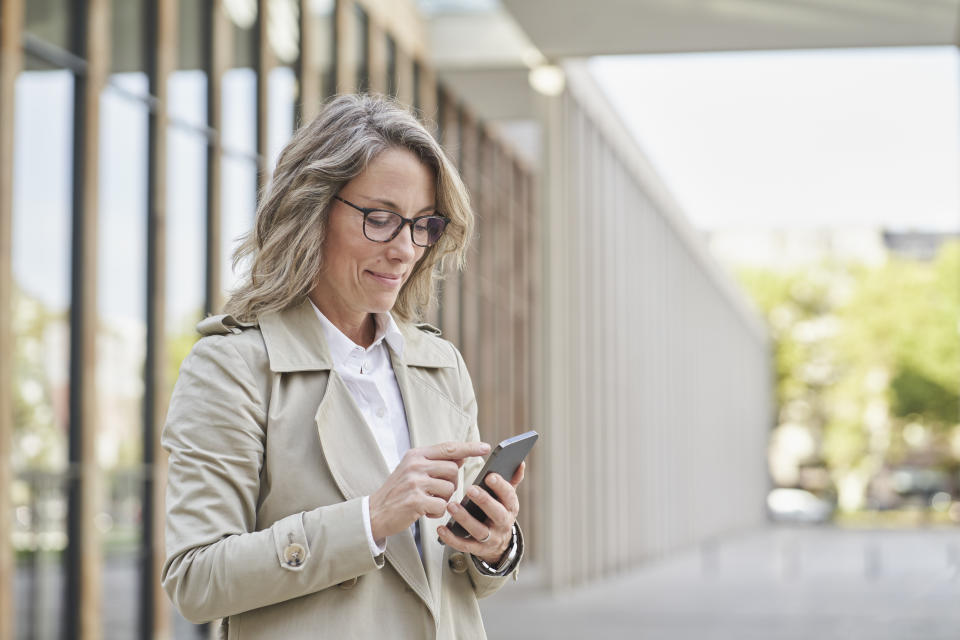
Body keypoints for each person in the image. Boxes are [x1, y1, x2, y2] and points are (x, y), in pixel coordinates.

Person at [161, 93, 525, 640]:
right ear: (311, 210)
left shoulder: (438, 363)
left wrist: (494, 544)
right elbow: (197, 579)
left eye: (422, 224)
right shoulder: (233, 366)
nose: (405, 248)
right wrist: (370, 519)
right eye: (380, 219)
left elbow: (459, 578)